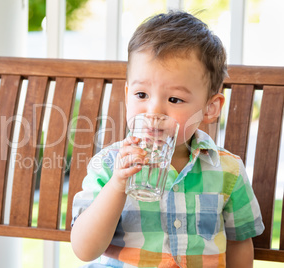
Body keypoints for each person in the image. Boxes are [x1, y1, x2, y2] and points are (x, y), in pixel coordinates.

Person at [70, 11, 264, 268]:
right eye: (141, 94)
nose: (153, 112)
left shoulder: (228, 171)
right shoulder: (107, 165)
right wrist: (117, 185)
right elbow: (84, 250)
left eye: (174, 99)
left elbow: (239, 242)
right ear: (127, 94)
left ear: (210, 108)